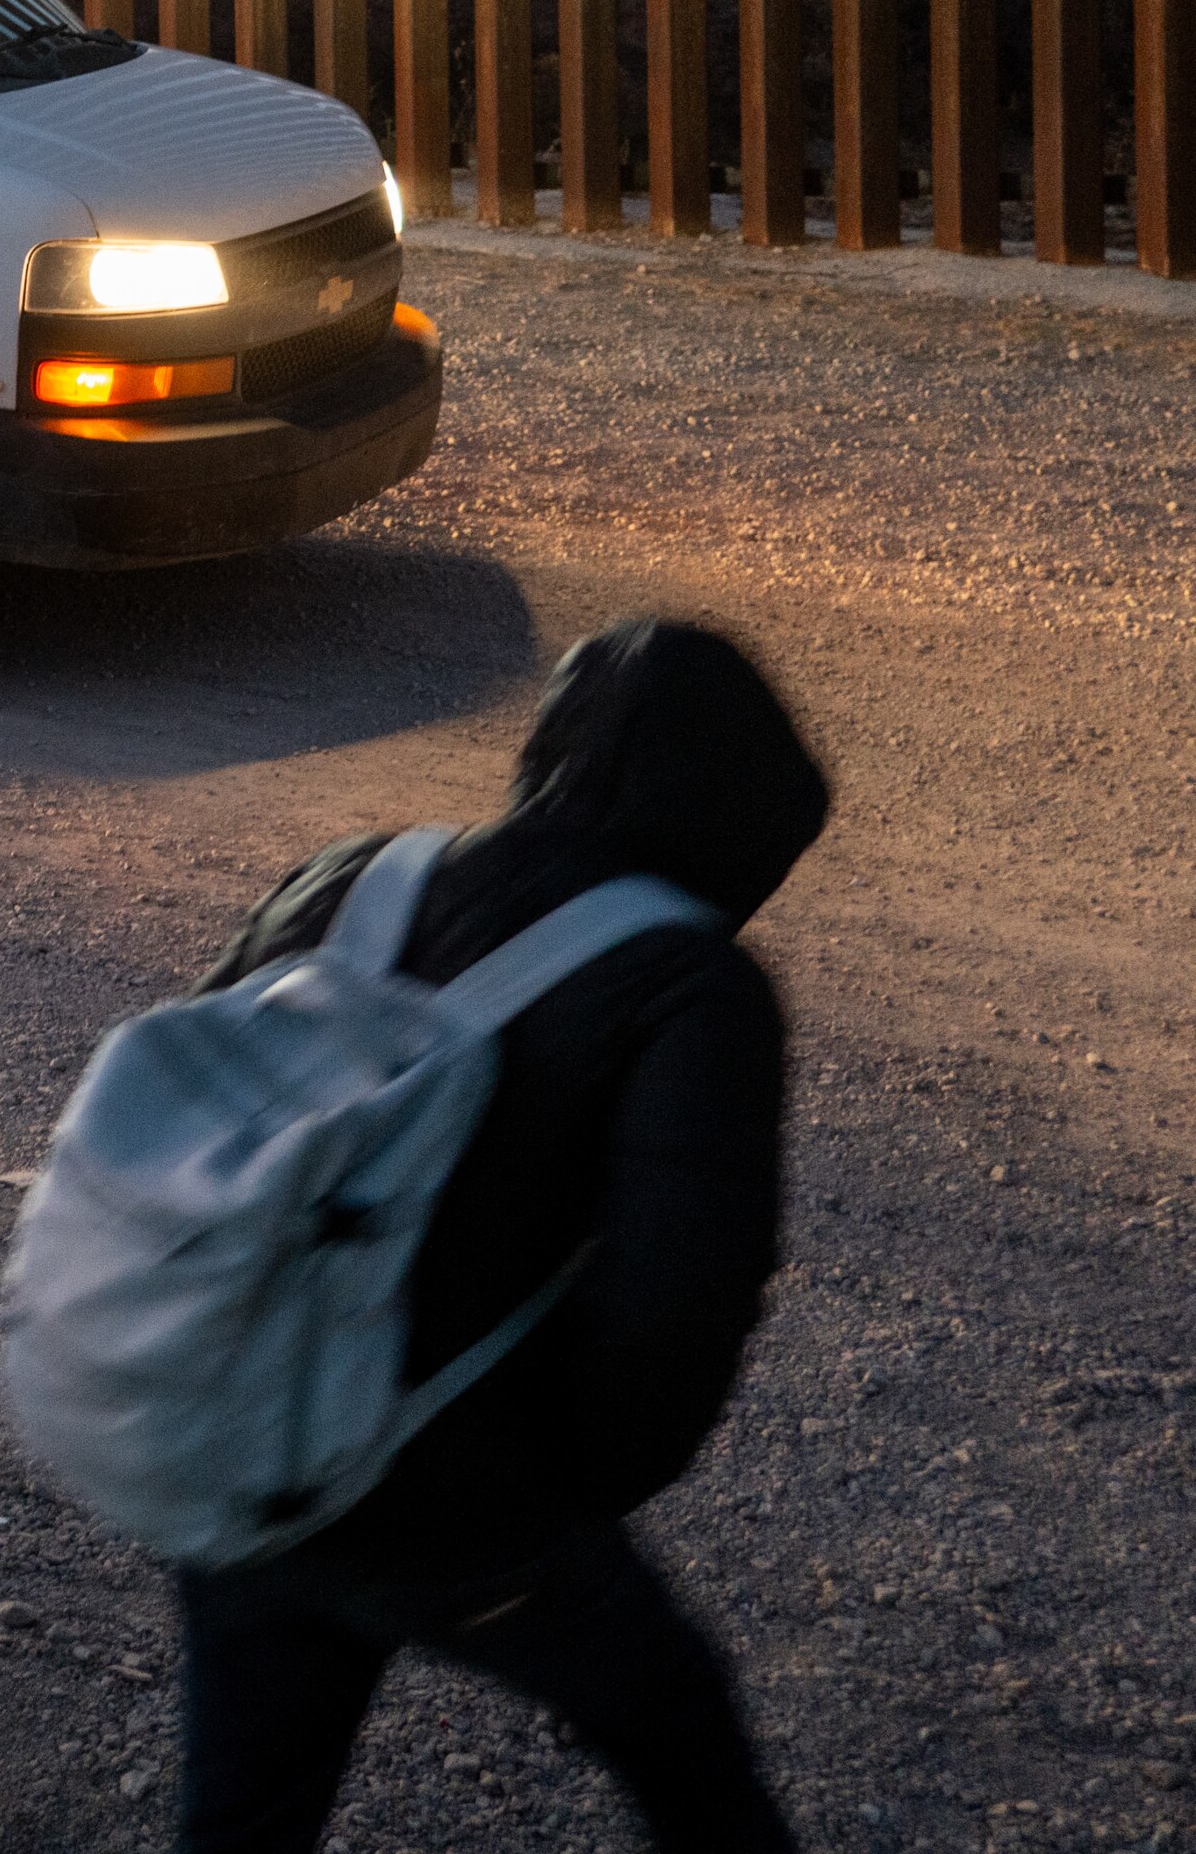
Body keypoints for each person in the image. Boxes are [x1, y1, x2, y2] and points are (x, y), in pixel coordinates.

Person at [160, 620, 826, 1854]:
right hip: (451, 1494)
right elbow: (674, 1308)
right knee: (679, 1742)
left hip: (242, 1430)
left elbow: (189, 1123)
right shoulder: (688, 988)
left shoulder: (350, 874)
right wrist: (559, 1494)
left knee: (244, 1807)